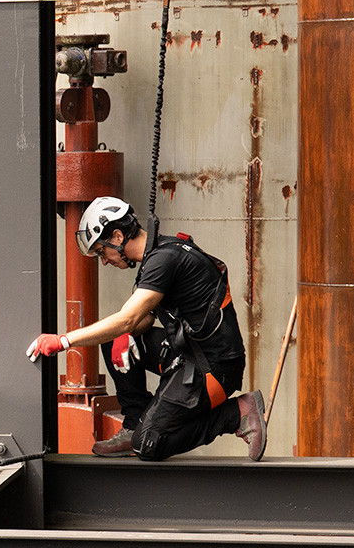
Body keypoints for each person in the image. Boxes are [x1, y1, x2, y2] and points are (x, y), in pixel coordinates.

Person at [26, 197, 267, 461]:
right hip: (189, 352)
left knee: (149, 445)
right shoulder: (156, 257)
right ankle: (133, 423)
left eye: (101, 251)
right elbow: (143, 319)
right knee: (114, 338)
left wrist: (63, 341)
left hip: (214, 368)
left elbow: (128, 318)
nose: (103, 260)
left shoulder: (165, 259)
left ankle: (236, 414)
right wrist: (125, 333)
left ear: (117, 236)